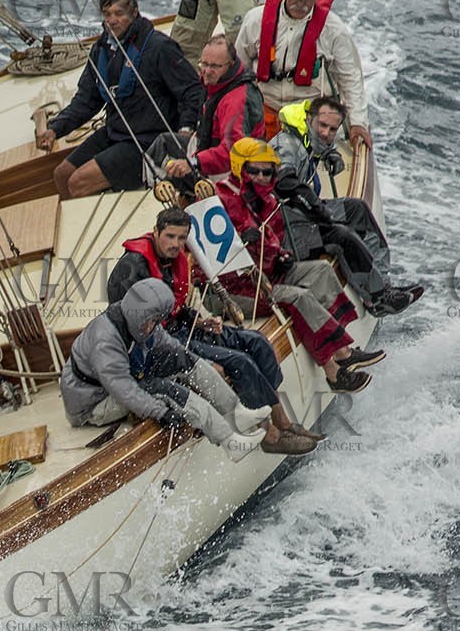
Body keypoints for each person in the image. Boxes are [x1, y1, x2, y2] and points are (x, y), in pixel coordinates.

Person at [107, 208, 318, 454]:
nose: (176, 244)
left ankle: (284, 421)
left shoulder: (171, 261)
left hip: (181, 327)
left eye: (181, 238)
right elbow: (132, 327)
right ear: (155, 232)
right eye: (170, 236)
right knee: (239, 361)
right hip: (159, 343)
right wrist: (198, 360)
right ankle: (270, 436)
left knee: (257, 341)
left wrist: (198, 321)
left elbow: (173, 308)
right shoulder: (132, 269)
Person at [213, 138, 382, 393]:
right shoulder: (223, 199)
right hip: (237, 290)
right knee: (299, 297)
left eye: (267, 171)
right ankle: (333, 374)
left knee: (322, 271)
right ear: (240, 168)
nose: (261, 177)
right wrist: (245, 239)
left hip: (269, 273)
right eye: (254, 171)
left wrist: (281, 253)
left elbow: (273, 237)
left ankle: (344, 349)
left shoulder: (267, 200)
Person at [62, 277, 270, 463]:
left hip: (121, 380)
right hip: (93, 405)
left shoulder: (137, 319)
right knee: (162, 389)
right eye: (153, 322)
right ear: (141, 319)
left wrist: (195, 361)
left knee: (181, 357)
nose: (155, 326)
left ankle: (236, 412)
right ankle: (230, 442)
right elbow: (124, 390)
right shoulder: (105, 341)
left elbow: (169, 345)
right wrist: (160, 413)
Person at [36, 0, 203, 199]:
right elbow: (87, 99)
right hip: (116, 131)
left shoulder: (160, 48)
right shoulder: (101, 49)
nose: (112, 20)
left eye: (119, 14)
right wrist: (55, 129)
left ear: (134, 13)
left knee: (78, 182)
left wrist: (185, 131)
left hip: (146, 140)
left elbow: (192, 91)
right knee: (62, 174)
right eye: (107, 14)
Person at [269, 98, 424, 315]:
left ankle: (383, 283)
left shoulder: (305, 138)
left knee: (356, 209)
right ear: (309, 120)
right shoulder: (285, 144)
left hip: (299, 218)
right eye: (322, 126)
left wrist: (330, 153)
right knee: (341, 236)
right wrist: (314, 206)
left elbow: (315, 145)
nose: (326, 133)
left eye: (332, 129)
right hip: (283, 232)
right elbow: (283, 182)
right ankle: (377, 300)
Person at [235, 0, 370, 147]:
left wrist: (358, 122)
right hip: (264, 106)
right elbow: (238, 68)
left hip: (309, 115)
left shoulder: (334, 30)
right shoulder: (255, 20)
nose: (301, 3)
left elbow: (350, 78)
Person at [146, 35, 265, 191]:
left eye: (215, 66)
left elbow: (234, 151)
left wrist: (195, 163)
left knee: (177, 172)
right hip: (208, 150)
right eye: (204, 64)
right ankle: (178, 194)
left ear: (231, 64)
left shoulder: (236, 100)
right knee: (160, 145)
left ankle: (190, 197)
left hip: (235, 172)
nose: (207, 71)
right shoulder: (214, 83)